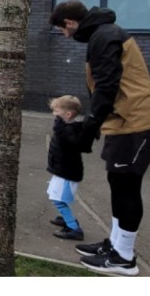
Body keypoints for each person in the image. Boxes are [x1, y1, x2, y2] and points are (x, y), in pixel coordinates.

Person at [50, 0, 150, 276]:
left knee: (126, 188)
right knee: (118, 185)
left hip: (136, 125)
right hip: (123, 125)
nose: (65, 36)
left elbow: (106, 86)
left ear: (68, 22)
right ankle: (115, 245)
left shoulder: (104, 35)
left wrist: (89, 128)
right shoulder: (104, 33)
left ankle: (124, 258)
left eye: (62, 30)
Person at [47, 95, 89, 241]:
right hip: (61, 170)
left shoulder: (67, 131)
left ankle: (73, 228)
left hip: (67, 173)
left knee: (59, 199)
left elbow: (66, 140)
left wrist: (58, 125)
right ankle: (66, 218)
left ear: (68, 114)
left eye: (56, 112)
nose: (54, 115)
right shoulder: (66, 129)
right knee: (54, 194)